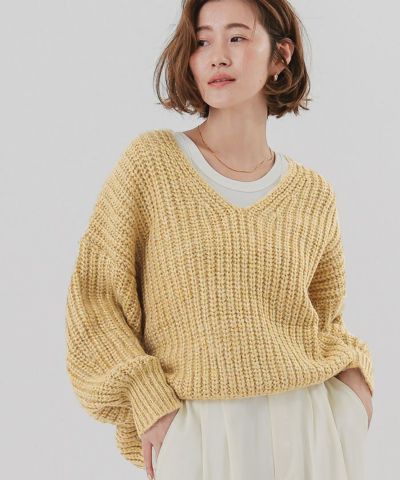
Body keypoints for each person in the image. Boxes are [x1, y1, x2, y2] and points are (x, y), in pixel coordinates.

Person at [65, 1, 374, 479]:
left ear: (280, 56)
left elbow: (325, 320)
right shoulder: (152, 165)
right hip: (198, 429)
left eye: (237, 37)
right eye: (202, 40)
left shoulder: (312, 193)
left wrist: (355, 392)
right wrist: (147, 398)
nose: (217, 56)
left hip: (308, 426)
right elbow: (95, 300)